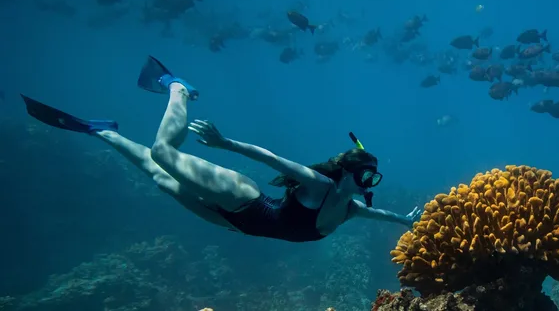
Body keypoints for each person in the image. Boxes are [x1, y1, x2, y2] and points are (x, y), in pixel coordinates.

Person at [20, 56, 420, 242]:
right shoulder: (319, 185)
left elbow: (381, 215)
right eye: (368, 175)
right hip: (243, 200)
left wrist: (404, 220)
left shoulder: (353, 209)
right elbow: (272, 159)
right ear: (348, 171)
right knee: (163, 153)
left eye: (374, 177)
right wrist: (224, 143)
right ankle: (177, 87)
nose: (372, 182)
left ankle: (101, 132)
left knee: (162, 180)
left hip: (236, 224)